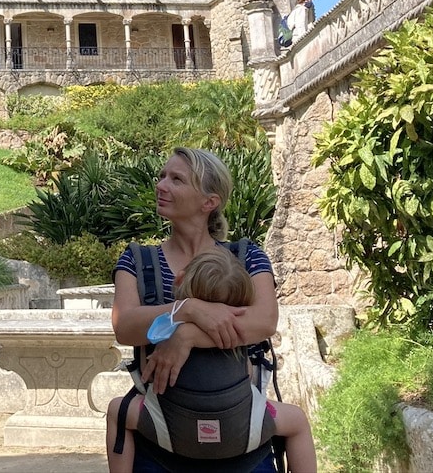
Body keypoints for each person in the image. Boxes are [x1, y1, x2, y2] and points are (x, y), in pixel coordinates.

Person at [109, 148, 281, 473]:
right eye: (162, 176)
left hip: (242, 439)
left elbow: (263, 321)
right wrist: (187, 309)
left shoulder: (246, 257)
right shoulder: (135, 260)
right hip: (160, 443)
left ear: (209, 202)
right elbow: (126, 326)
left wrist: (185, 336)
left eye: (176, 179)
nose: (161, 185)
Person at [107, 249, 317, 473]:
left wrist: (182, 319)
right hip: (242, 432)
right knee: (297, 421)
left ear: (179, 280)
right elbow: (246, 373)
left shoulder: (167, 328)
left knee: (116, 411)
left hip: (169, 428)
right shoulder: (240, 331)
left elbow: (145, 335)